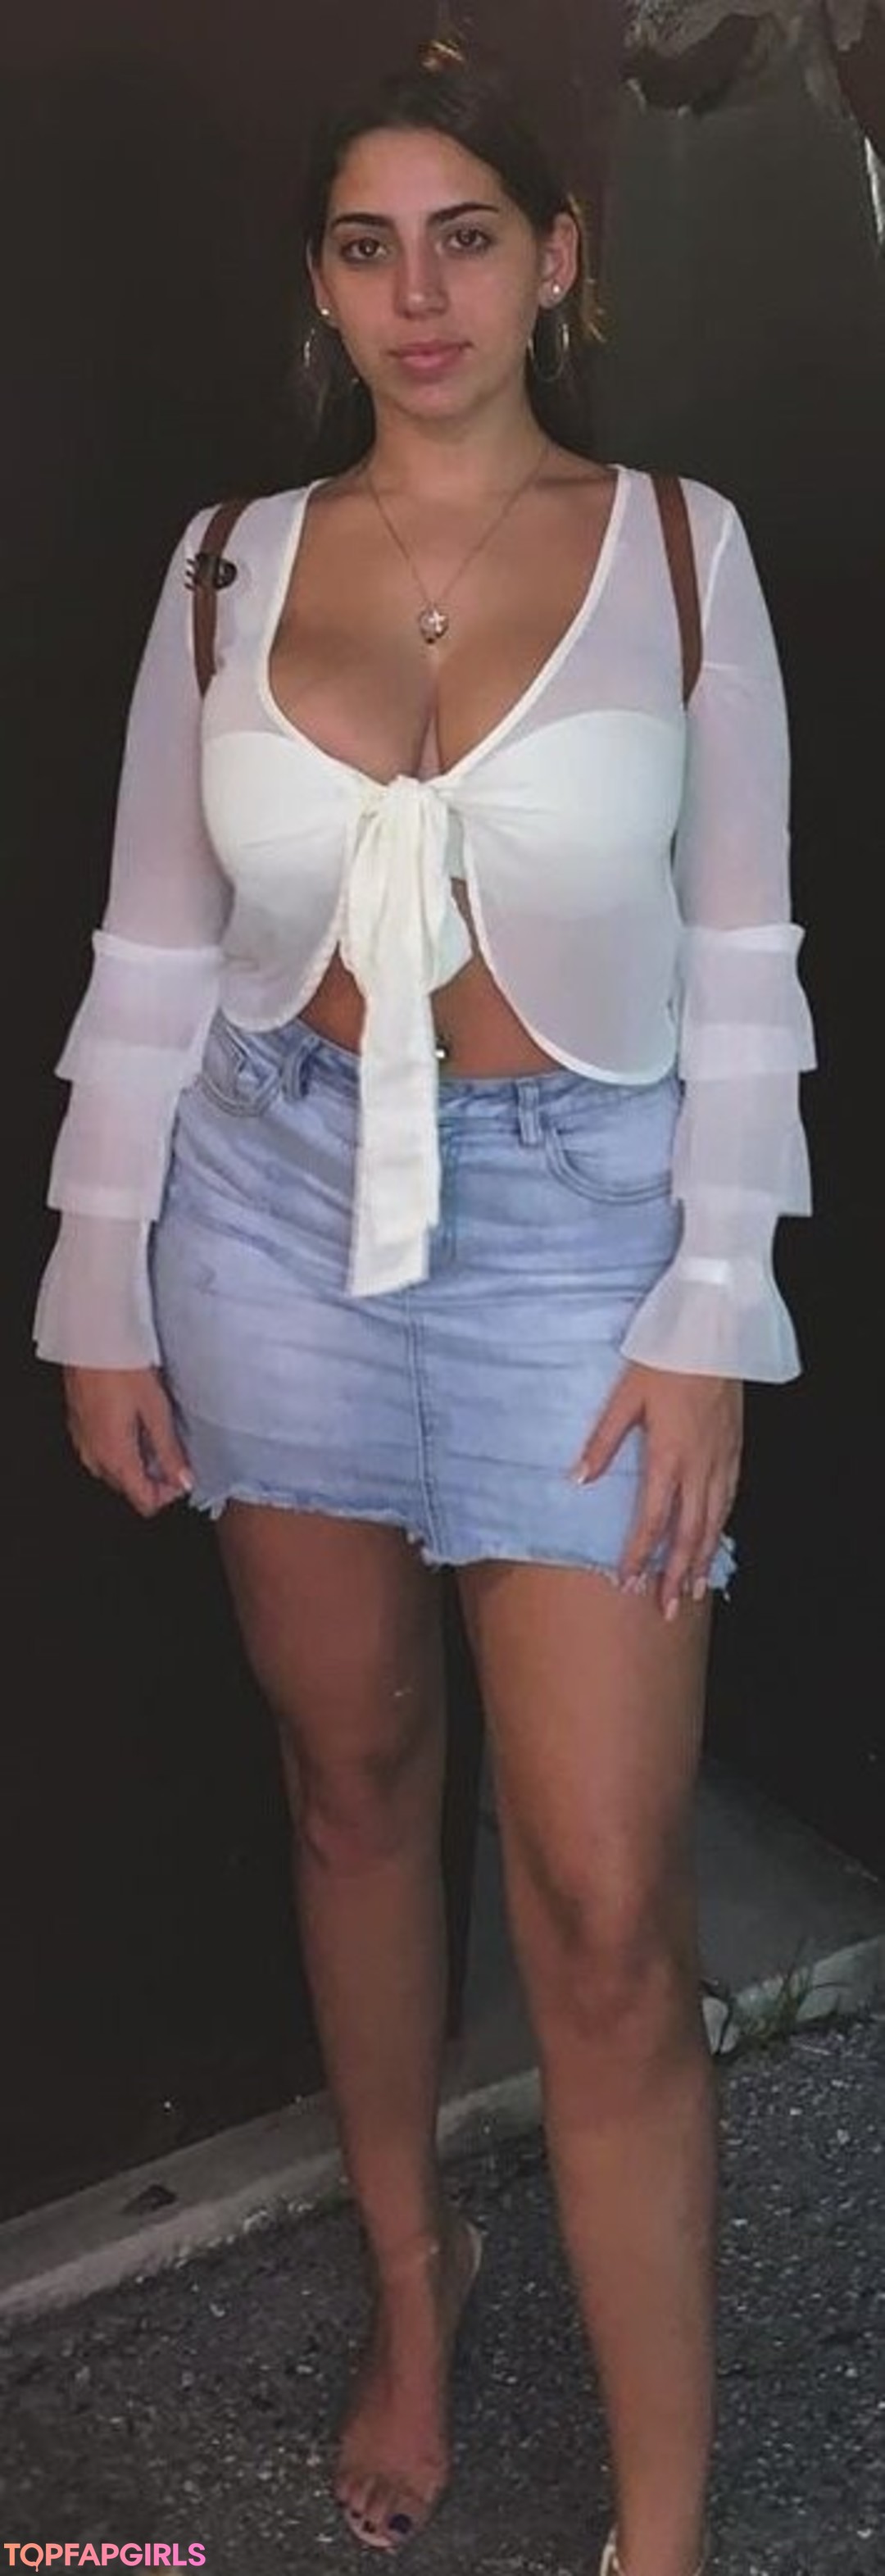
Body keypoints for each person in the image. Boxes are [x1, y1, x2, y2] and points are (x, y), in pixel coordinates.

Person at [34, 33, 815, 2576]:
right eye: (367, 246)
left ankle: (662, 2531)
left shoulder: (680, 552)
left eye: (466, 235)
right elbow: (156, 948)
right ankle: (413, 2282)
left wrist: (710, 1306)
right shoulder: (225, 567)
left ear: (557, 255)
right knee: (354, 1779)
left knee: (601, 1906)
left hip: (588, 1238)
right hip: (272, 1215)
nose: (421, 292)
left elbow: (746, 960)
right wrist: (97, 1281)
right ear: (322, 284)